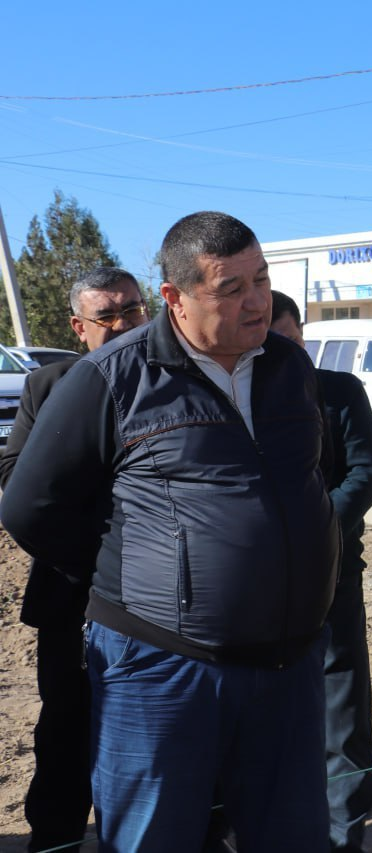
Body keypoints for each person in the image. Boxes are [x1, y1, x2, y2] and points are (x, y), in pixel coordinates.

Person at [0, 212, 339, 852]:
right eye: (230, 288)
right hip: (161, 670)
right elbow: (28, 503)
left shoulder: (288, 366)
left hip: (289, 667)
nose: (257, 302)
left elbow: (304, 477)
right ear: (175, 298)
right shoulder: (110, 377)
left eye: (262, 280)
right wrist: (129, 571)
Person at [0, 267, 148, 852]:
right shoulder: (48, 386)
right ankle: (56, 839)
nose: (120, 326)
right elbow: (17, 482)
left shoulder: (175, 379)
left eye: (131, 312)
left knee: (151, 736)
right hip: (72, 594)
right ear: (77, 327)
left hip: (159, 601)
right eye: (105, 317)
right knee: (64, 728)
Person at [270, 290, 372, 851]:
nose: (279, 353)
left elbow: (362, 477)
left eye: (288, 340)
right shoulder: (231, 398)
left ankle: (347, 830)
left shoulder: (339, 393)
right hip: (252, 587)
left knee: (341, 707)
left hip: (331, 573)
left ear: (302, 335)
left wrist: (307, 534)